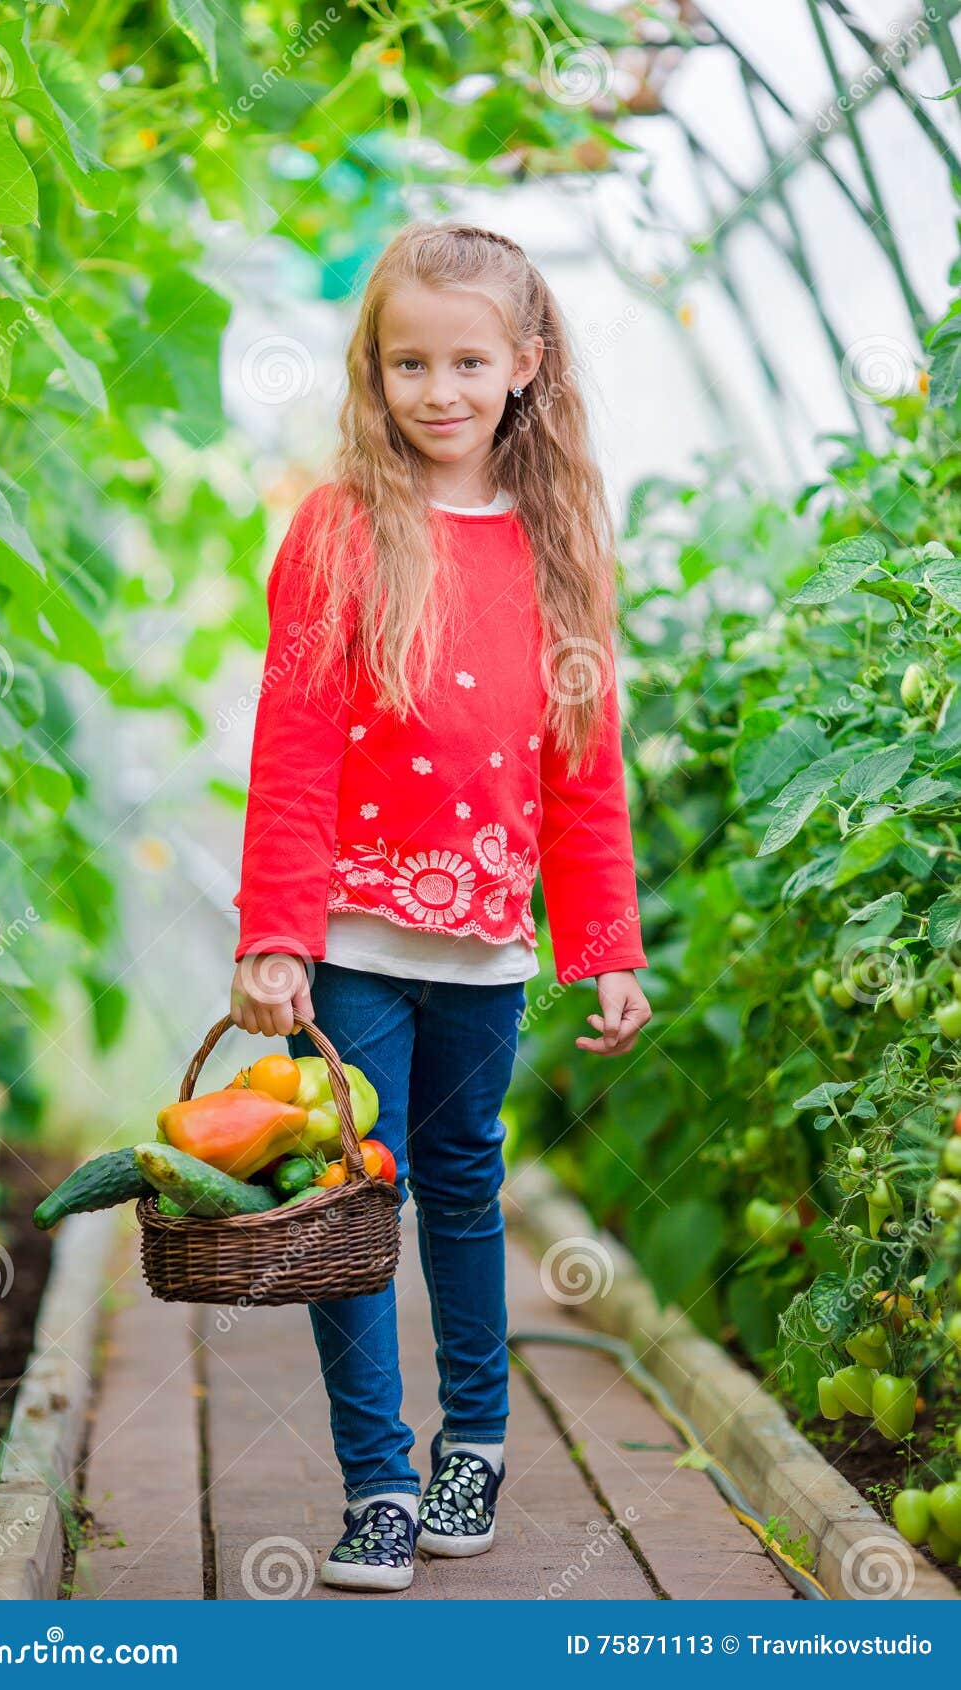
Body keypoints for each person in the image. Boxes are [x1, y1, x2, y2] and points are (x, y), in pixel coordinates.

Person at [229, 219, 652, 1593]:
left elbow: (582, 772)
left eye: (468, 360)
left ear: (525, 365)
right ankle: (378, 1479)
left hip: (481, 953)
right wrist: (276, 935)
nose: (439, 389)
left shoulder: (555, 546)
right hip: (346, 944)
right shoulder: (343, 530)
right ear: (375, 370)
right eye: (409, 361)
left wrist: (604, 946)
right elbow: (292, 747)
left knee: (462, 1191)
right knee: (350, 1195)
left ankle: (474, 1433)